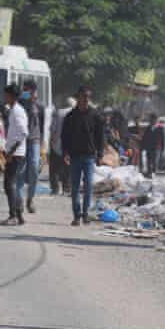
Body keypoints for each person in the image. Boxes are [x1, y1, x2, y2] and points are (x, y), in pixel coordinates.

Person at [62, 86, 104, 226]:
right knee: (74, 188)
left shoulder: (95, 116)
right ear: (78, 98)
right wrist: (65, 152)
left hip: (89, 156)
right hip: (74, 156)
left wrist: (100, 154)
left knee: (88, 187)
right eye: (83, 97)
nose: (85, 99)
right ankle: (76, 215)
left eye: (87, 97)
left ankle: (85, 214)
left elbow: (100, 136)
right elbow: (65, 136)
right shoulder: (71, 116)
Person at [0, 84, 29, 226]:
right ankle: (18, 215)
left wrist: (11, 152)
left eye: (6, 95)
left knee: (9, 184)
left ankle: (14, 215)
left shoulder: (17, 111)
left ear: (12, 96)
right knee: (11, 184)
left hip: (16, 153)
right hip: (13, 151)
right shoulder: (13, 110)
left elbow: (23, 133)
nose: (4, 97)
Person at [18, 80, 45, 214]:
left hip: (34, 139)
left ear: (34, 91)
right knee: (21, 171)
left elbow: (42, 126)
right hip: (21, 140)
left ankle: (30, 198)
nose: (26, 93)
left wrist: (42, 146)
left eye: (28, 90)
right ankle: (20, 201)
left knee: (34, 167)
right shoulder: (19, 104)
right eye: (24, 90)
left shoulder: (40, 106)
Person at [49, 97, 75, 195]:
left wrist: (51, 140)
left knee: (54, 168)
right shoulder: (75, 114)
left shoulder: (58, 113)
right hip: (70, 145)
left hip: (57, 143)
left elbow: (53, 129)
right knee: (67, 167)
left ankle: (55, 188)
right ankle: (66, 188)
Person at [139, 113, 165, 178]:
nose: (152, 121)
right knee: (149, 160)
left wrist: (162, 147)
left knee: (155, 161)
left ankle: (154, 172)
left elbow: (162, 139)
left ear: (156, 120)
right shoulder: (148, 128)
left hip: (156, 148)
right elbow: (145, 138)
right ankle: (149, 173)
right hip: (149, 147)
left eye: (153, 119)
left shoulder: (160, 128)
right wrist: (142, 147)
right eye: (151, 119)